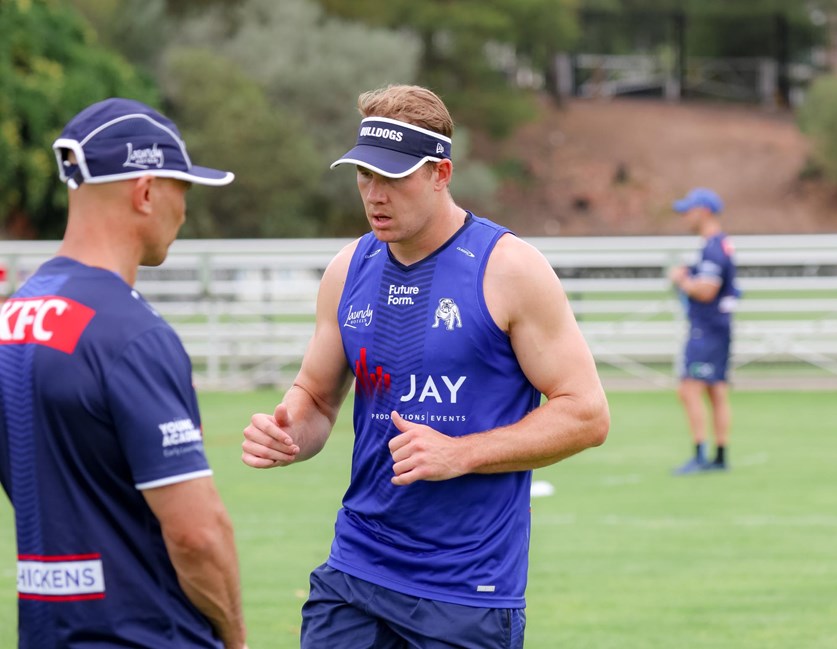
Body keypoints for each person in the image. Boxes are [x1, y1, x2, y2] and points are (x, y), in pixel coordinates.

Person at [242, 84, 610, 648]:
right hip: (356, 571)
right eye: (364, 175)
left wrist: (461, 453)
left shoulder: (509, 269)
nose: (373, 194)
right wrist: (287, 430)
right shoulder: (348, 267)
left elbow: (586, 415)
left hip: (465, 590)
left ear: (441, 173)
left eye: (392, 177)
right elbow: (315, 399)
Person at [0, 98, 247, 648]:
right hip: (145, 634)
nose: (184, 211)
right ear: (145, 192)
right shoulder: (131, 333)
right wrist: (235, 636)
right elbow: (195, 533)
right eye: (182, 189)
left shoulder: (13, 317)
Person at [669, 187, 740, 475]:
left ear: (704, 211)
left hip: (707, 329)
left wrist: (682, 280)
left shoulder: (713, 247)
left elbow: (707, 291)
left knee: (689, 389)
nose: (685, 216)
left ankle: (700, 454)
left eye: (689, 210)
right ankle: (719, 455)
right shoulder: (720, 245)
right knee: (716, 391)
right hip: (717, 327)